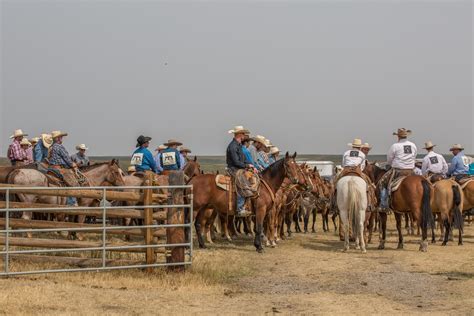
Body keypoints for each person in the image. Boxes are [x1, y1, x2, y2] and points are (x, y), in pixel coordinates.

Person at [379, 128, 417, 210]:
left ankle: (384, 204)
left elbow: (389, 159)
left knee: (382, 183)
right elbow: (414, 156)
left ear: (398, 137)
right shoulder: (413, 145)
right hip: (411, 171)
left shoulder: (395, 146)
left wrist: (391, 164)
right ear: (406, 136)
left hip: (398, 171)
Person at [226, 126, 254, 217]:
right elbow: (236, 161)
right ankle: (240, 208)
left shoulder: (238, 145)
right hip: (233, 169)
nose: (244, 136)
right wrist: (246, 165)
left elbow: (243, 159)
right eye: (243, 134)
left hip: (238, 168)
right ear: (239, 135)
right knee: (243, 183)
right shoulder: (233, 146)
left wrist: (250, 165)